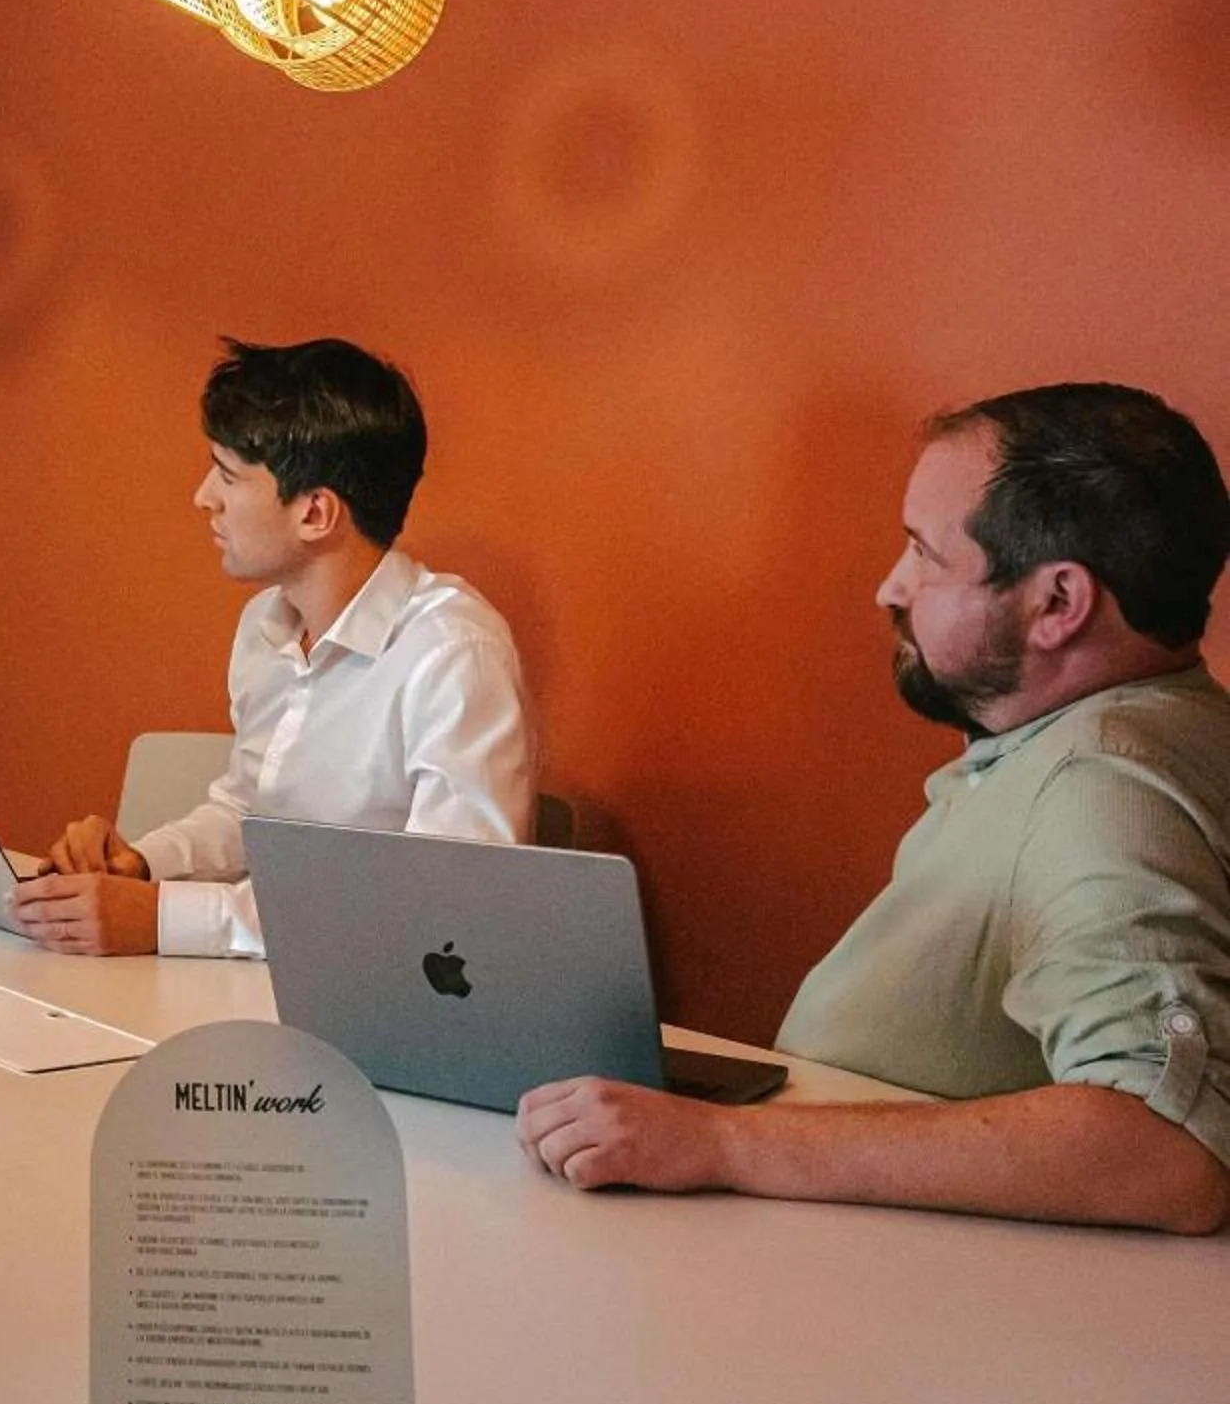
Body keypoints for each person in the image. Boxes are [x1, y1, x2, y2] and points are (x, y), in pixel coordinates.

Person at [519, 383, 1230, 1235]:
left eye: (925, 556)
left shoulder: (1101, 789)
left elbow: (1163, 1148)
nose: (888, 589)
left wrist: (725, 1144)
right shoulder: (1129, 733)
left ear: (1057, 604)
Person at [16, 337, 537, 959]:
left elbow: (442, 902)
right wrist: (140, 866)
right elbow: (249, 813)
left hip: (382, 1005)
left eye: (229, 475)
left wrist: (165, 920)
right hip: (270, 981)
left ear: (315, 513)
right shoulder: (267, 625)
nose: (203, 496)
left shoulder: (453, 652)